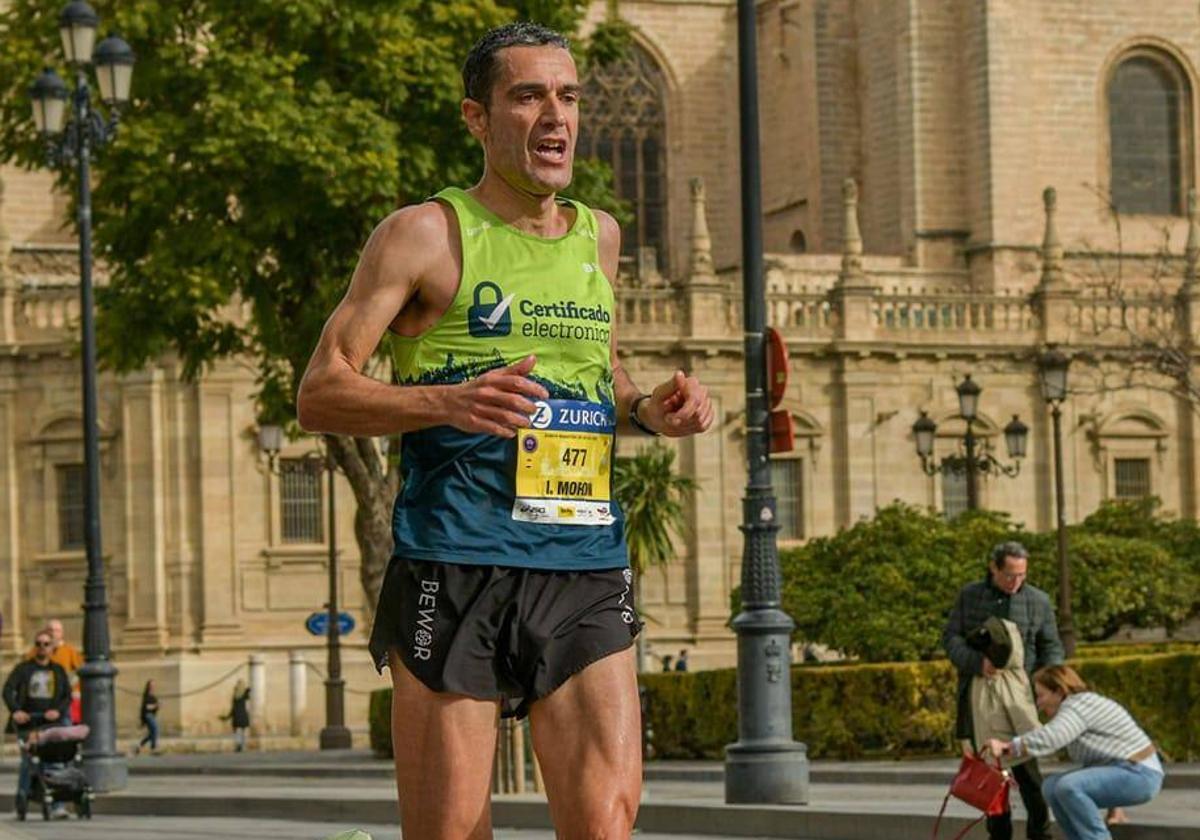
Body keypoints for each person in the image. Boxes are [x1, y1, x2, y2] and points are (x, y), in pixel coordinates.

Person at [296, 20, 713, 839]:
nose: (554, 116)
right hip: (455, 560)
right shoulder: (424, 235)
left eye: (567, 96)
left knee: (606, 822)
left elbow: (601, 365)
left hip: (583, 559)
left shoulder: (600, 237)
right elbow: (319, 393)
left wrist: (644, 410)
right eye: (527, 97)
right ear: (477, 119)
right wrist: (444, 404)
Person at [943, 541, 1064, 840]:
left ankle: (1041, 835)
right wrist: (976, 662)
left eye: (1021, 575)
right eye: (1009, 575)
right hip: (979, 694)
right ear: (994, 568)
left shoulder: (1038, 600)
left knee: (1029, 774)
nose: (1015, 582)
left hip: (1021, 697)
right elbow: (951, 639)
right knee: (991, 775)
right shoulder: (970, 595)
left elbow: (1051, 646)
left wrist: (1043, 687)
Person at [986, 665, 1163, 840]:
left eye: (1041, 695)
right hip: (1128, 771)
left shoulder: (1079, 705)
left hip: (1140, 774)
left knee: (1069, 786)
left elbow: (1052, 737)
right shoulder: (1077, 706)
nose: (1038, 704)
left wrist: (1008, 747)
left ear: (1059, 692)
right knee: (1051, 788)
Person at [4, 629, 71, 815]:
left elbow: (67, 696)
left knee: (55, 761)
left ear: (52, 647)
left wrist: (57, 711)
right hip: (28, 724)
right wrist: (16, 710)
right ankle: (22, 798)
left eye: (46, 644)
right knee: (29, 761)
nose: (42, 647)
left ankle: (57, 804)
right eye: (38, 644)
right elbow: (8, 690)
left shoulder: (58, 670)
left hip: (50, 724)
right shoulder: (23, 669)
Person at [27, 619, 83, 724]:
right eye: (50, 630)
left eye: (57, 630)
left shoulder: (70, 651)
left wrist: (76, 690)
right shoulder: (35, 651)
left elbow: (80, 673)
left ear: (62, 633)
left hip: (63, 697)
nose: (53, 633)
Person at [134, 679, 160, 755]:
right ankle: (153, 748)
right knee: (155, 729)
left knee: (152, 733)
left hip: (152, 716)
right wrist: (156, 705)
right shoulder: (146, 696)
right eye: (151, 685)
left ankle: (139, 746)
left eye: (154, 685)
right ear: (148, 686)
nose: (153, 687)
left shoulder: (153, 696)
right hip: (148, 716)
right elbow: (147, 707)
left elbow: (154, 707)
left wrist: (158, 705)